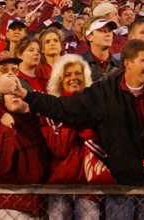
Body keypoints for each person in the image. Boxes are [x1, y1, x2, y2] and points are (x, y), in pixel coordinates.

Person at [10, 39, 144, 218]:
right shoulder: (104, 92)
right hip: (119, 187)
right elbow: (63, 108)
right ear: (128, 63)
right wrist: (27, 96)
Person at [41, 54, 99, 220]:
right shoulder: (50, 109)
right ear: (59, 80)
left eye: (77, 73)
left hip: (89, 185)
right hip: (60, 183)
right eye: (67, 75)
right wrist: (74, 114)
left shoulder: (95, 106)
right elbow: (59, 149)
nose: (73, 78)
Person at [0, 80, 49, 220]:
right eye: (9, 93)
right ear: (3, 101)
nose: (13, 95)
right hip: (5, 205)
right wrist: (5, 131)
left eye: (18, 91)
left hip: (36, 205)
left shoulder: (39, 126)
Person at [80, 17, 121, 83]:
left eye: (110, 31)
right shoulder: (80, 65)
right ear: (89, 37)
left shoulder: (119, 66)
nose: (108, 34)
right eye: (102, 31)